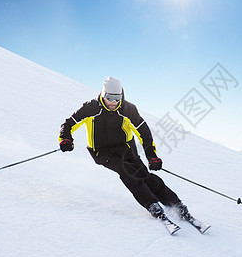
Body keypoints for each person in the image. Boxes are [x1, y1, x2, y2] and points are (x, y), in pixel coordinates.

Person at [58, 76, 191, 221]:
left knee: (145, 175)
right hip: (102, 152)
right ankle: (152, 204)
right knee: (127, 171)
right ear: (103, 95)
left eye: (117, 98)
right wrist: (66, 139)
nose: (113, 103)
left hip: (126, 150)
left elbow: (144, 133)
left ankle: (176, 205)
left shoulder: (129, 109)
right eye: (110, 98)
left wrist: (152, 156)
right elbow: (69, 123)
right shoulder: (91, 108)